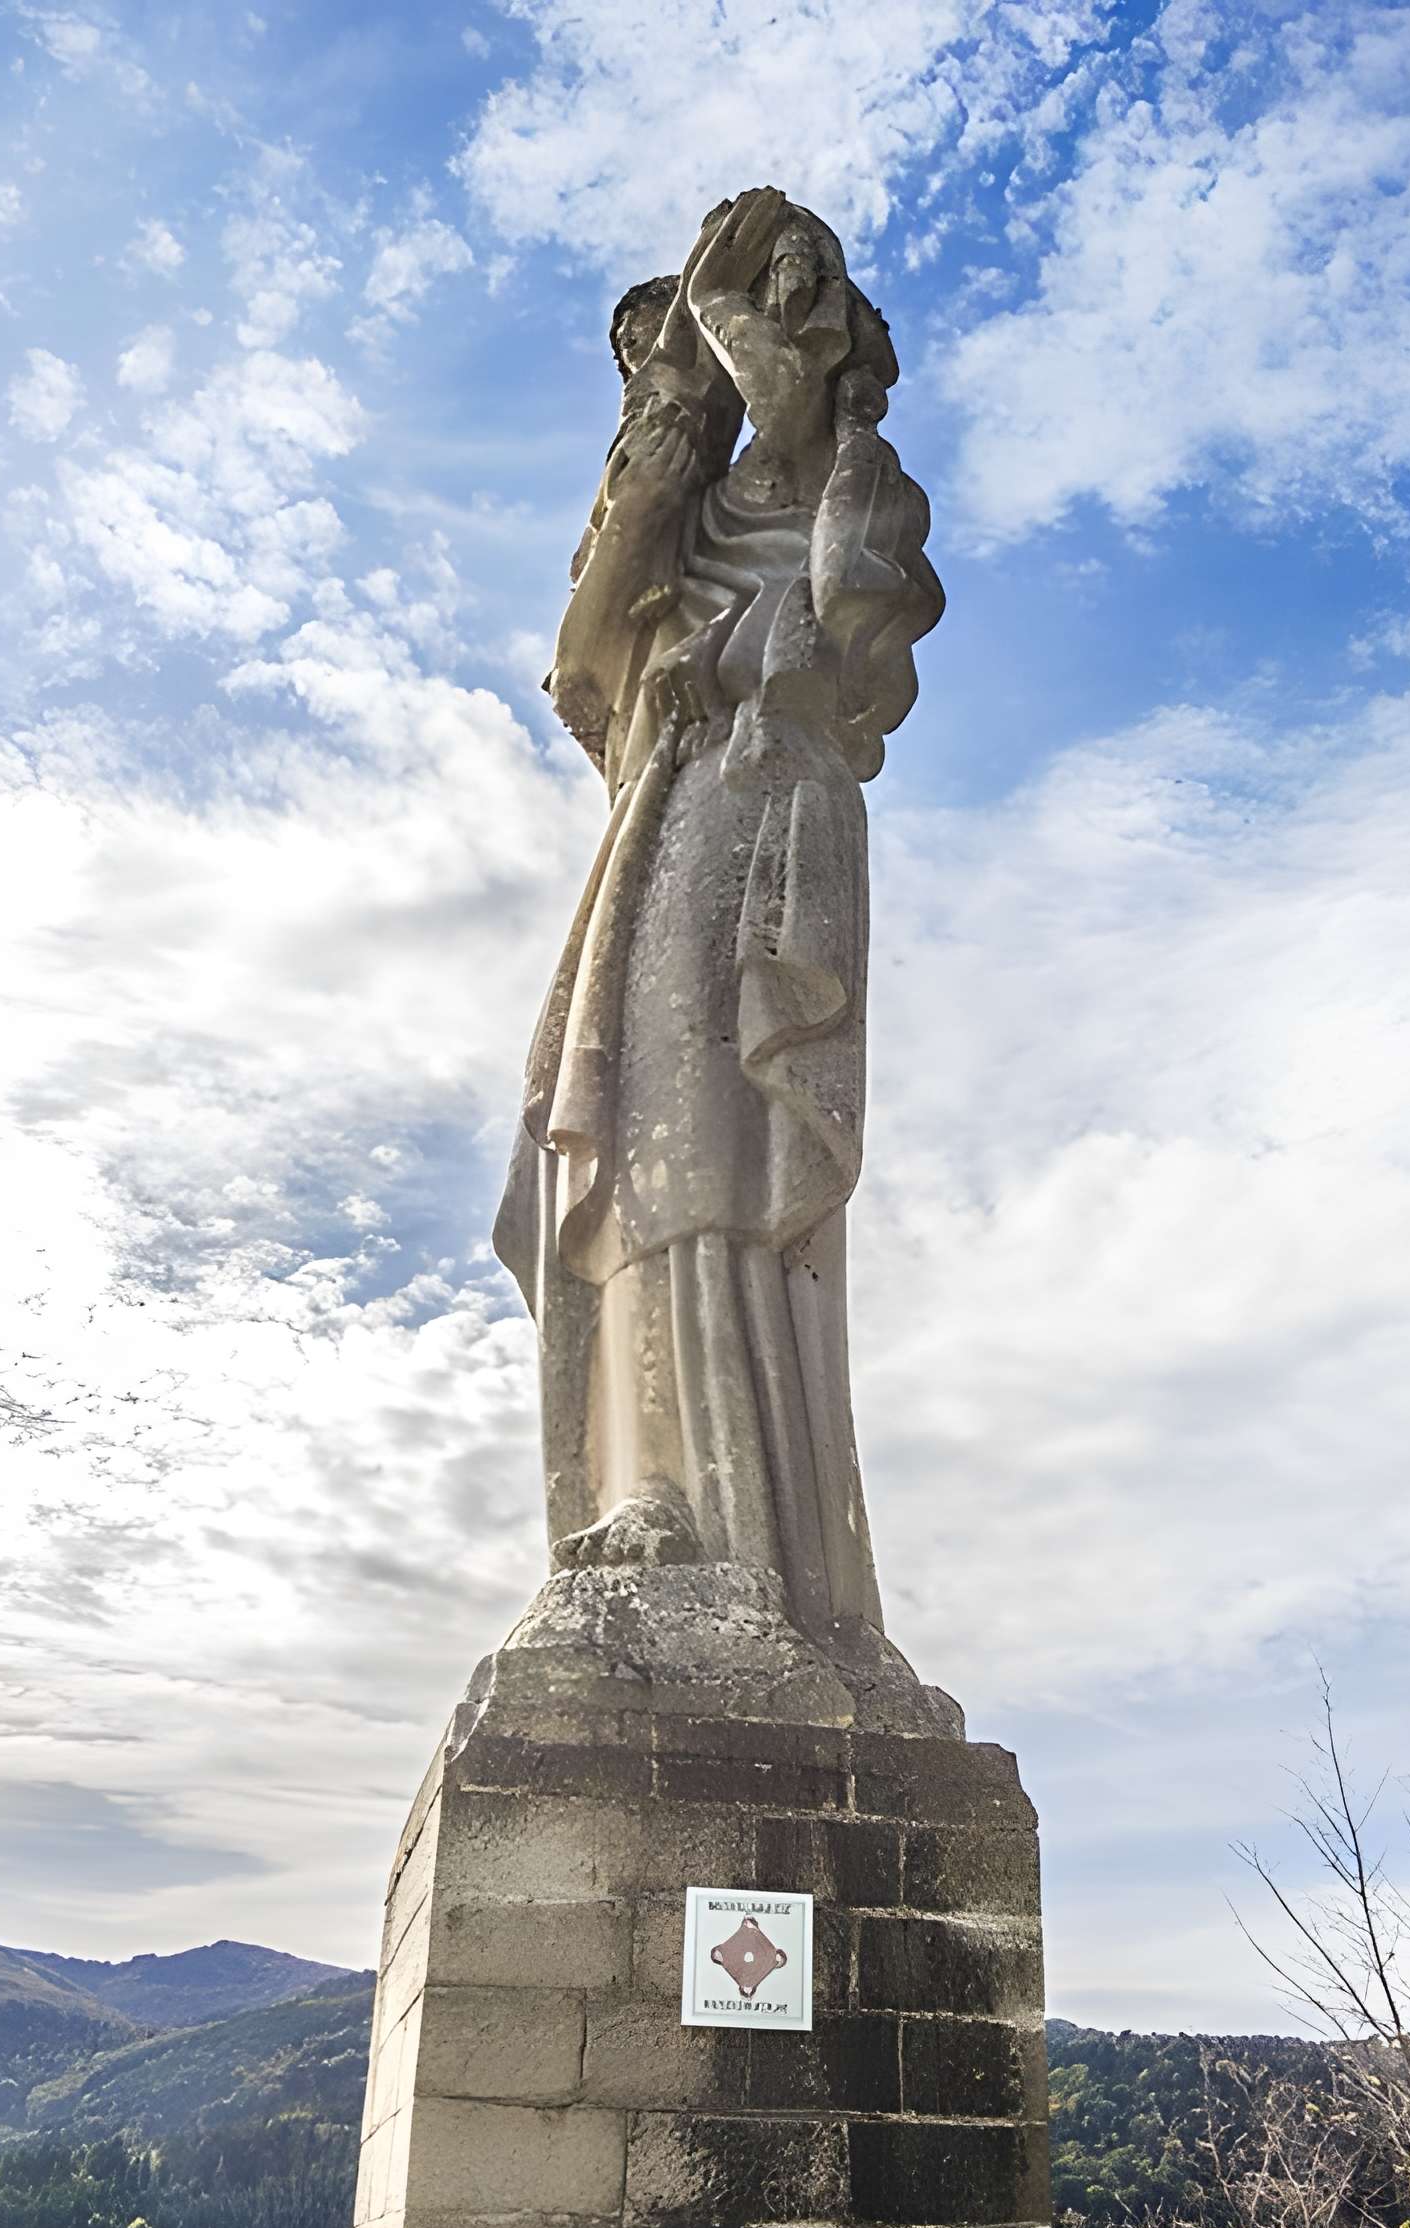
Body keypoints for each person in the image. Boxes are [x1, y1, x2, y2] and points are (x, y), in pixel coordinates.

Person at [495, 190, 942, 1640]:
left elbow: (848, 656)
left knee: (711, 1142)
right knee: (630, 1143)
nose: (686, 367)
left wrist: (741, 654)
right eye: (652, 359)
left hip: (763, 819)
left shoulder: (845, 490)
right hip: (666, 825)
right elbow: (585, 670)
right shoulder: (660, 553)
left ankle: (743, 1525)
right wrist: (664, 414)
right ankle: (662, 1491)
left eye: (759, 328)